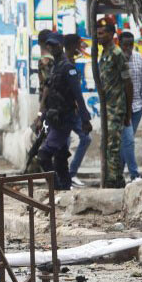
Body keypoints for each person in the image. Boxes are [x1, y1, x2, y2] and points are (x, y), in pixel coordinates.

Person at [38, 33, 83, 191]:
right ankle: (64, 188)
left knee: (43, 155)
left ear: (61, 46)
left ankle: (55, 187)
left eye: (55, 45)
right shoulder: (55, 67)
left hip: (64, 119)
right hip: (53, 118)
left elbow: (77, 94)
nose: (52, 48)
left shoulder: (67, 67)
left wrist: (85, 119)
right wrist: (41, 115)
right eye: (50, 45)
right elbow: (47, 91)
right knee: (61, 157)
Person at [96, 19, 132, 188]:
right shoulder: (103, 54)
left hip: (117, 106)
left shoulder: (117, 54)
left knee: (113, 145)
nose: (98, 36)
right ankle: (112, 178)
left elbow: (127, 83)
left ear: (111, 34)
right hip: (107, 107)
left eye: (102, 33)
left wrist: (128, 112)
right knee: (108, 143)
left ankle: (116, 181)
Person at [62, 35, 93, 188]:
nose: (81, 48)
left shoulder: (72, 63)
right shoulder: (64, 63)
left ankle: (71, 173)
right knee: (64, 143)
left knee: (86, 139)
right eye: (78, 45)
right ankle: (65, 176)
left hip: (73, 112)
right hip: (65, 112)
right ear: (72, 45)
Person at [120, 32, 142, 181]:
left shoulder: (138, 58)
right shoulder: (117, 60)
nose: (128, 48)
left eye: (130, 45)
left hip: (137, 107)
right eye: (125, 45)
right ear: (119, 44)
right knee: (129, 140)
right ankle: (134, 174)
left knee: (126, 142)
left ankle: (118, 173)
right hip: (122, 109)